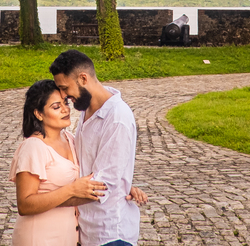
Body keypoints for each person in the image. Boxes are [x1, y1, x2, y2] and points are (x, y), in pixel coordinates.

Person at [50, 49, 148, 246]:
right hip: (87, 229)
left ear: (83, 78)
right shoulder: (88, 109)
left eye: (64, 88)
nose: (63, 95)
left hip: (109, 233)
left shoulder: (117, 118)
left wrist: (45, 201)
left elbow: (101, 187)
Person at [10, 79, 107, 246]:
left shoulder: (70, 139)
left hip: (67, 237)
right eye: (56, 107)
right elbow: (24, 205)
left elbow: (89, 178)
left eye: (65, 103)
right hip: (38, 238)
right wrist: (71, 189)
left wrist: (119, 185)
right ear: (38, 114)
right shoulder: (34, 147)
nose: (65, 110)